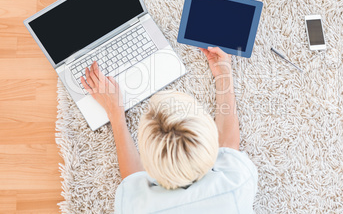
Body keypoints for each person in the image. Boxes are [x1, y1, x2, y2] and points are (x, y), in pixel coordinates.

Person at [81, 46, 258, 213]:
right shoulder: (239, 182)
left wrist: (115, 114)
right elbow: (228, 145)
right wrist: (223, 74)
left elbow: (132, 178)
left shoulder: (132, 206)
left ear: (150, 167)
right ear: (211, 147)